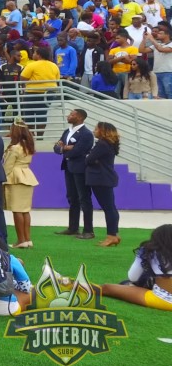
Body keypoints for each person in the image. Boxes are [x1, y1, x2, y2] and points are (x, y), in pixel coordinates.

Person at [100, 224, 172, 311]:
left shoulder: (149, 250)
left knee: (107, 288)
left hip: (163, 299)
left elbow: (133, 277)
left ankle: (82, 287)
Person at [53, 108, 95, 239]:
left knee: (84, 198)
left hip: (80, 168)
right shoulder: (67, 131)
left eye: (72, 114)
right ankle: (73, 227)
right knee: (72, 197)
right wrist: (65, 148)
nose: (69, 116)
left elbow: (79, 151)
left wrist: (63, 148)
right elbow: (56, 147)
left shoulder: (86, 134)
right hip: (68, 167)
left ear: (80, 117)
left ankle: (88, 230)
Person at [85, 121, 122, 247]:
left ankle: (111, 235)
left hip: (101, 179)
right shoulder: (108, 144)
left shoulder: (102, 144)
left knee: (108, 208)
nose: (94, 131)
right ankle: (114, 234)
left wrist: (91, 159)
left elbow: (89, 159)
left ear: (103, 131)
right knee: (110, 207)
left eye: (96, 129)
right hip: (105, 178)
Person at [3, 121, 39, 249]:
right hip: (27, 175)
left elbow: (7, 166)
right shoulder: (28, 145)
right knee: (25, 210)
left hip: (16, 177)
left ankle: (21, 240)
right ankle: (27, 239)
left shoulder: (14, 148)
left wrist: (2, 178)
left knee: (17, 210)